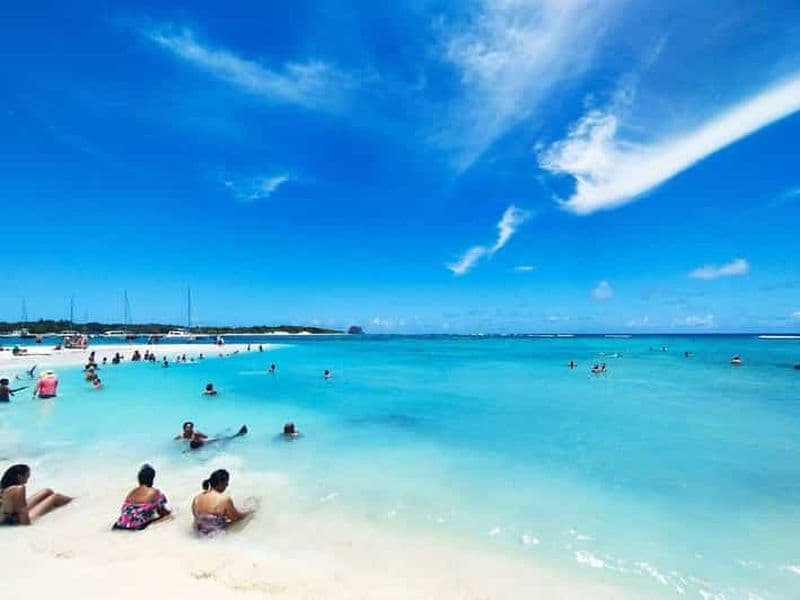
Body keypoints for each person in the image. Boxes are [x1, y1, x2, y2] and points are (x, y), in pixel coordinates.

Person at [1, 464, 71, 525]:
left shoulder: (3, 488)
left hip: (8, 516)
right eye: (27, 476)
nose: (28, 478)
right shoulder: (19, 488)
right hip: (13, 521)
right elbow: (22, 511)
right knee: (56, 497)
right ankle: (77, 502)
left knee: (47, 491)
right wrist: (27, 528)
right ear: (19, 476)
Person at [191, 469, 251, 536]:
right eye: (226, 482)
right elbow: (236, 518)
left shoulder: (197, 498)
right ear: (220, 483)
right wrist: (248, 513)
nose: (227, 485)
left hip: (197, 536)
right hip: (216, 539)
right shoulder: (225, 499)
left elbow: (197, 516)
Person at [112, 464, 171, 531]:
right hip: (136, 527)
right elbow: (163, 513)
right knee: (169, 517)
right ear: (152, 479)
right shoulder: (156, 492)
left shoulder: (132, 492)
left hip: (119, 525)